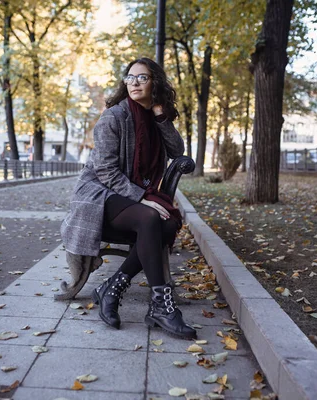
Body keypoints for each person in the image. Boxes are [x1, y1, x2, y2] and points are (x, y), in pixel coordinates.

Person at [60, 57, 196, 340]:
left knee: (168, 224)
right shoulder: (114, 116)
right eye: (130, 77)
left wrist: (161, 118)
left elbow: (177, 149)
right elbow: (106, 171)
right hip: (99, 196)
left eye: (142, 77)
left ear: (155, 82)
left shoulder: (154, 118)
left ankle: (112, 286)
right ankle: (162, 306)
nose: (134, 82)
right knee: (150, 217)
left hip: (131, 198)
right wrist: (143, 199)